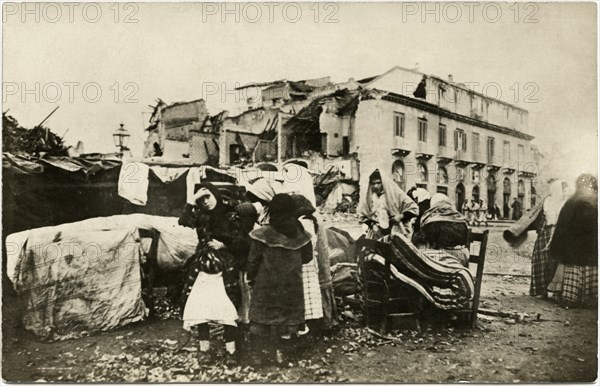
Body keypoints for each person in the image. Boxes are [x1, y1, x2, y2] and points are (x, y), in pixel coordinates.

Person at [178, 183, 257, 361]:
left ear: (215, 195)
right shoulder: (201, 216)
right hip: (203, 267)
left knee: (226, 307)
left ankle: (231, 351)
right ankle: (204, 350)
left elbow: (245, 241)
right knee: (200, 307)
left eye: (208, 197)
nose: (205, 202)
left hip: (225, 268)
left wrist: (224, 244)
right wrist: (191, 201)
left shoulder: (231, 215)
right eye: (201, 199)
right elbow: (183, 221)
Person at [247, 194, 313, 364]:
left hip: (265, 283)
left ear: (272, 211)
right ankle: (281, 353)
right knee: (287, 317)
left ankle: (260, 355)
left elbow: (253, 260)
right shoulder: (301, 234)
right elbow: (307, 258)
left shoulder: (262, 234)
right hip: (291, 284)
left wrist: (250, 277)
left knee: (264, 316)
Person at [548, 174, 598, 308]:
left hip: (575, 249)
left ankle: (572, 297)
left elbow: (562, 227)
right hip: (589, 249)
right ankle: (590, 299)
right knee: (591, 272)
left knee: (575, 271)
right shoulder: (595, 202)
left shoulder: (572, 202)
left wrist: (556, 247)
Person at [529, 180, 567, 297]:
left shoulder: (564, 203)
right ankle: (541, 290)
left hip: (559, 234)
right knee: (540, 260)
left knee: (556, 262)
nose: (565, 193)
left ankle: (556, 291)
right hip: (545, 234)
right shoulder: (547, 202)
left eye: (566, 191)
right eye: (564, 190)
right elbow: (537, 218)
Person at [358, 169, 419, 239]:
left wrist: (400, 216)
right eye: (373, 183)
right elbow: (363, 215)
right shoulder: (369, 198)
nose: (375, 186)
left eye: (378, 183)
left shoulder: (397, 194)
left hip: (397, 230)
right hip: (377, 232)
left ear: (383, 182)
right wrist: (372, 225)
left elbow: (414, 209)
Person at [413, 193, 470, 267]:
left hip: (441, 261)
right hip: (461, 260)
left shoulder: (431, 219)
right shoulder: (461, 219)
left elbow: (423, 241)